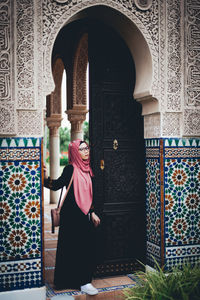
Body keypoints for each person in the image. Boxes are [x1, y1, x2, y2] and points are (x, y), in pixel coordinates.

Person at [43, 139, 100, 295]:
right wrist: (45, 177)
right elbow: (56, 185)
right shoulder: (70, 169)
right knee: (71, 247)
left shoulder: (88, 169)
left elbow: (91, 193)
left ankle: (85, 281)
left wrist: (92, 211)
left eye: (86, 148)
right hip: (71, 216)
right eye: (81, 149)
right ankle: (70, 281)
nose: (85, 151)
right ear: (75, 152)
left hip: (84, 214)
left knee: (86, 248)